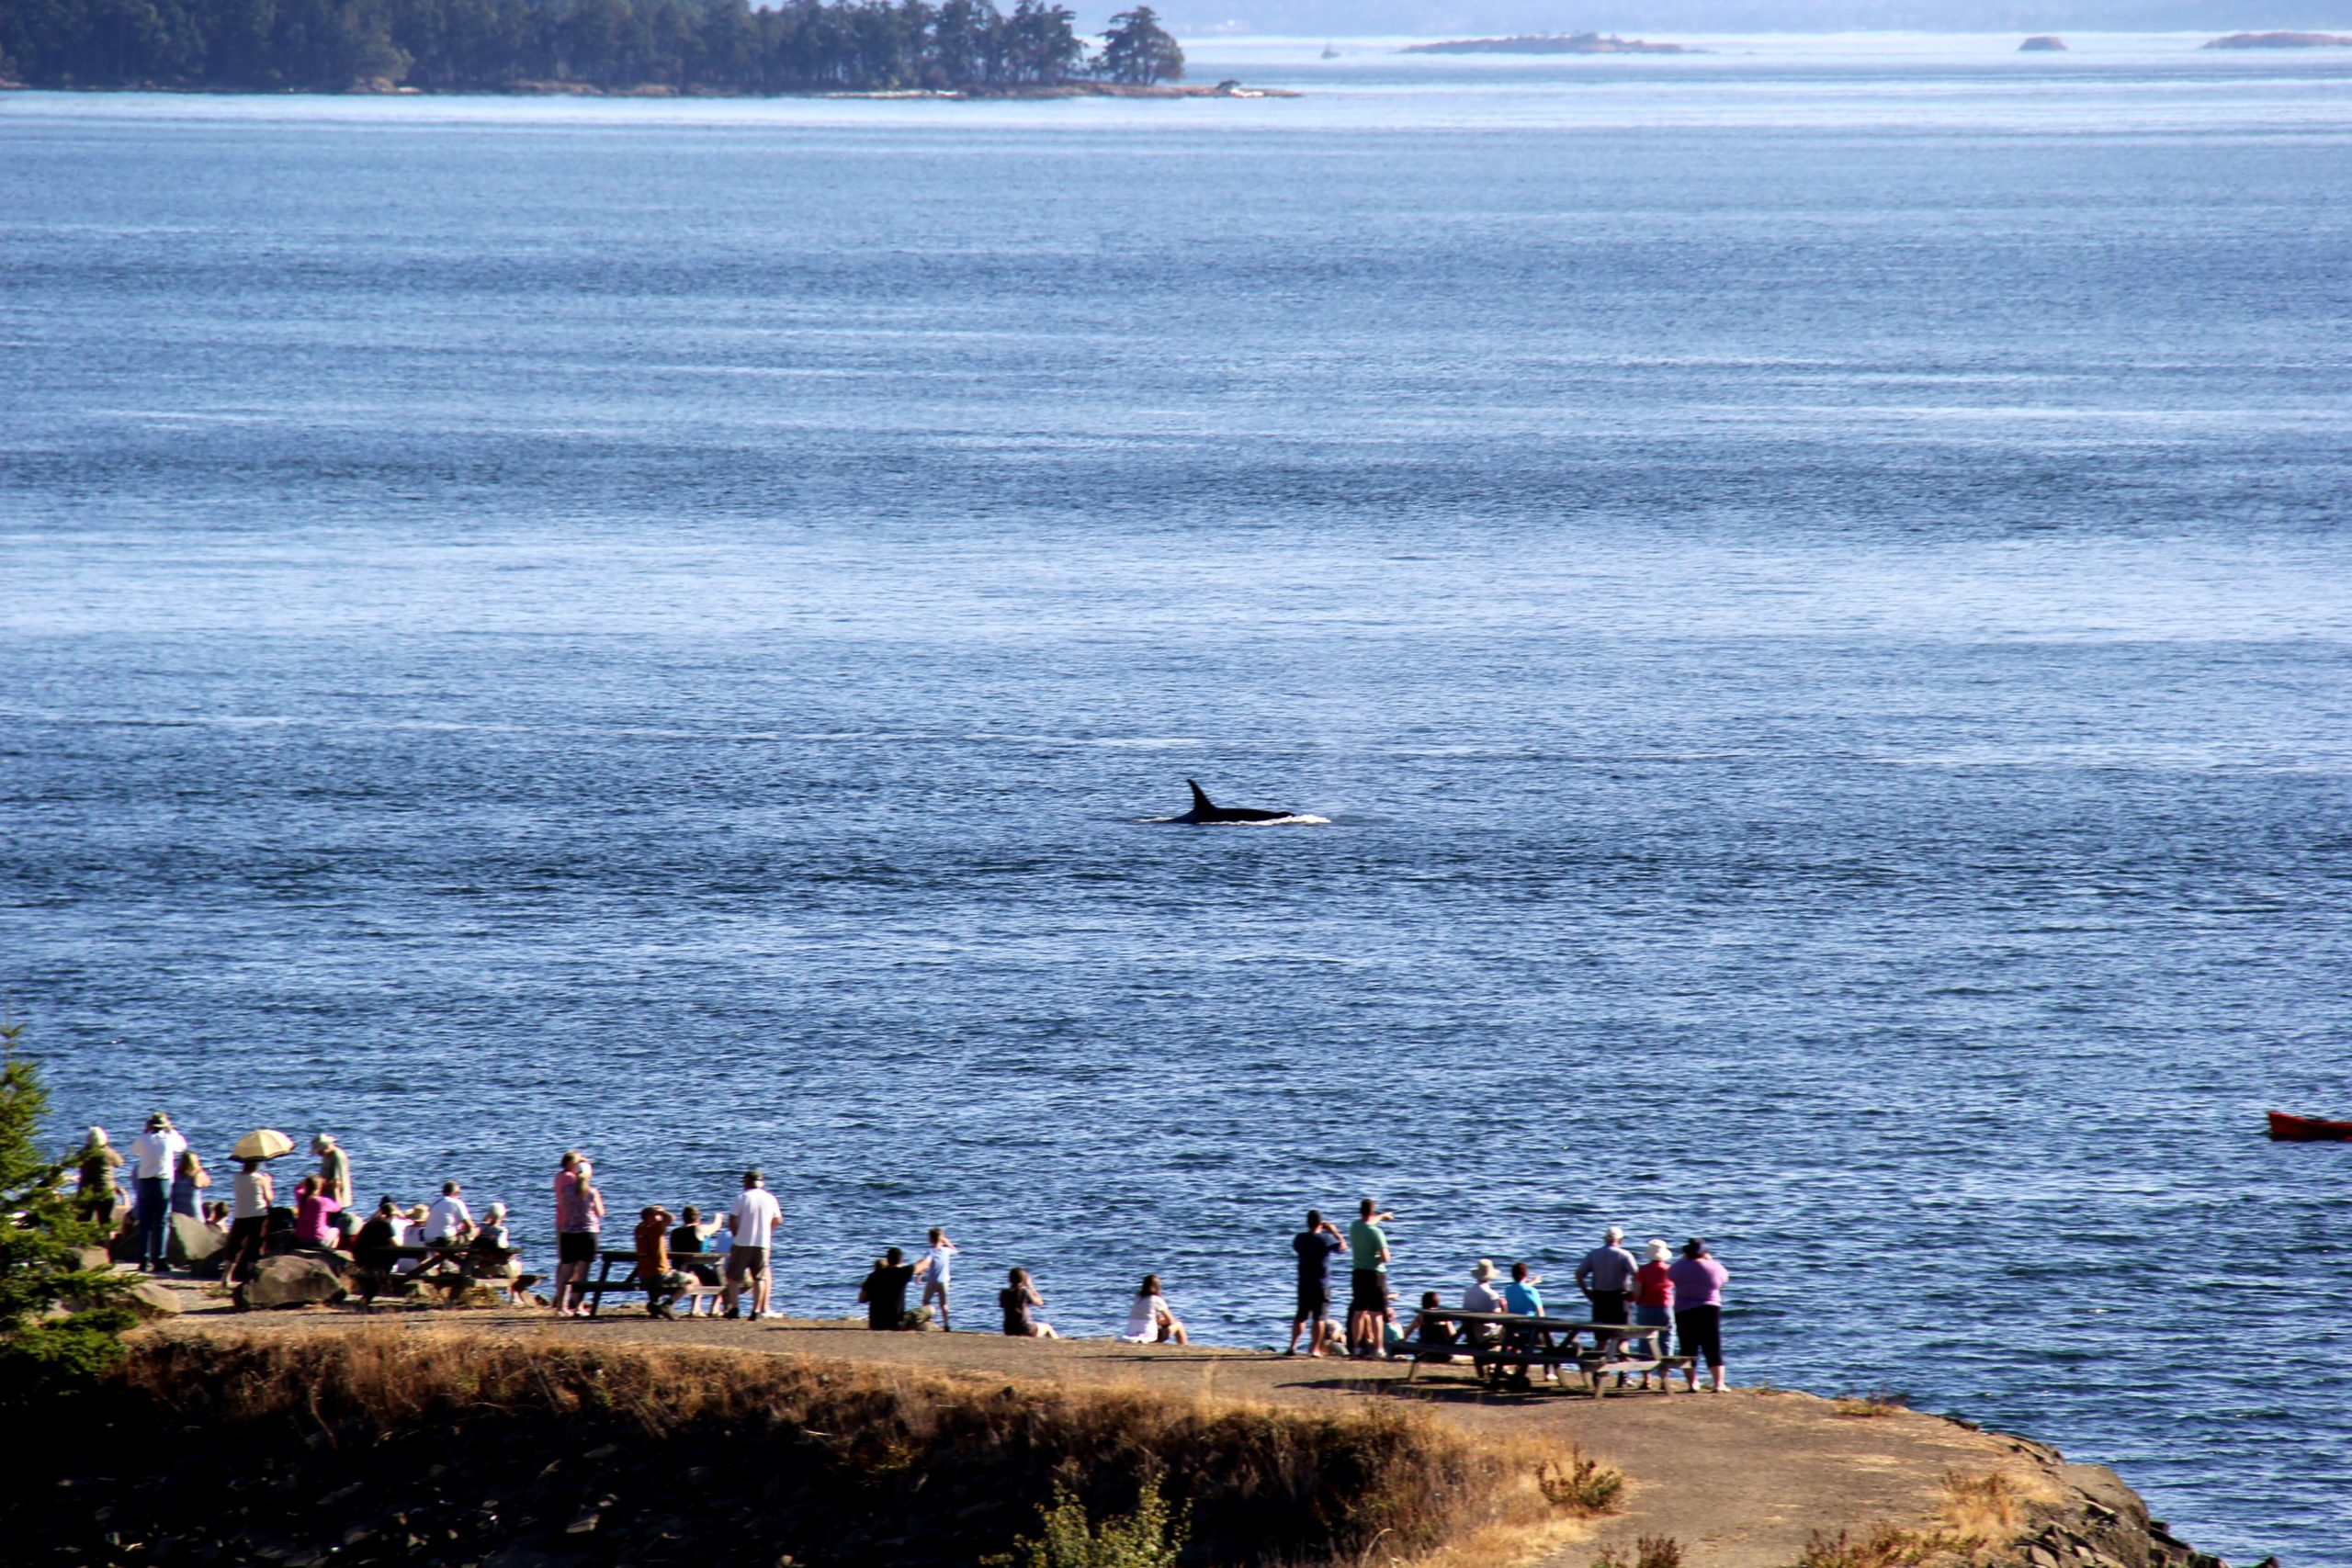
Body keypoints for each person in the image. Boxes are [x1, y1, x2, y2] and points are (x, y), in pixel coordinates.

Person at [1666, 1238, 1730, 1392]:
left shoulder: (1678, 1267)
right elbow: (1723, 1280)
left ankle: (1693, 1383)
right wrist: (1710, 1260)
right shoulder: (1715, 1266)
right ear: (1704, 1252)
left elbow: (1671, 1277)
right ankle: (1719, 1384)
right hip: (1710, 1307)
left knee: (1688, 1346)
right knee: (1713, 1346)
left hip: (1684, 1309)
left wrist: (1683, 1261)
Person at [129, 1112, 187, 1272]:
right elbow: (183, 1146)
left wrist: (145, 1132)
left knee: (145, 1222)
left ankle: (143, 1259)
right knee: (161, 1222)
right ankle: (160, 1258)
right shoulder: (168, 1138)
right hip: (163, 1181)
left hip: (145, 1181)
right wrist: (172, 1129)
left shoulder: (144, 1139)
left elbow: (134, 1150)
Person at [548, 1152, 605, 1317]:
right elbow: (600, 1212)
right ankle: (578, 1306)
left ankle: (560, 1306)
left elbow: (564, 1208)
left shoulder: (565, 1190)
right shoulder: (592, 1192)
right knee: (583, 1272)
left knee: (566, 1270)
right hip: (588, 1233)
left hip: (569, 1232)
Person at [725, 1169, 782, 1319]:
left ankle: (735, 1307)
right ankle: (756, 1310)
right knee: (759, 1277)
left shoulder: (742, 1197)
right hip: (762, 1243)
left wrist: (736, 1233)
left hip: (742, 1242)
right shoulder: (770, 1198)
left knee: (733, 1276)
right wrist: (768, 1231)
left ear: (747, 1182)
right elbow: (778, 1220)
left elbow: (732, 1219)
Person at [1287, 1209, 1344, 1357]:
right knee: (1319, 1318)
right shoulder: (1325, 1239)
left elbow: (1297, 1248)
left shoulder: (1300, 1238)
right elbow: (1343, 1248)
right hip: (1321, 1283)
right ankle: (1315, 1349)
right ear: (1321, 1223)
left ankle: (1293, 1346)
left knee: (1301, 1316)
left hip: (1304, 1281)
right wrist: (1334, 1232)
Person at [1346, 1198, 1394, 1358]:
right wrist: (1376, 1259)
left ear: (1360, 1211)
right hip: (1375, 1274)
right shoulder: (1377, 1232)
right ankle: (1379, 1349)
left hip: (1358, 1273)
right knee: (1376, 1313)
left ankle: (1356, 1347)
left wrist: (1382, 1216)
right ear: (1373, 1212)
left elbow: (1368, 1222)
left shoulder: (1354, 1226)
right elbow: (1386, 1258)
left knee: (1359, 1311)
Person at [1632, 1239, 1677, 1390]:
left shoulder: (1642, 1270)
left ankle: (1647, 1379)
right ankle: (1665, 1379)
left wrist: (1634, 1300)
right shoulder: (1670, 1270)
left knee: (1645, 1341)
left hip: (1645, 1306)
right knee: (1666, 1340)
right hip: (1665, 1306)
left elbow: (1637, 1292)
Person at [1502, 1260, 1557, 1382]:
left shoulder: (1508, 1290)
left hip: (1516, 1331)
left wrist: (1532, 1282)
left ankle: (1520, 1367)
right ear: (1526, 1275)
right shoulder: (1532, 1291)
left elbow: (1521, 1289)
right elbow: (1540, 1313)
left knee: (1527, 1346)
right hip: (1532, 1331)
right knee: (1550, 1341)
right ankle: (1549, 1371)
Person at [1575, 1226, 1639, 1326]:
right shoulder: (1625, 1255)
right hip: (1619, 1298)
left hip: (1599, 1298)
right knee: (1622, 1336)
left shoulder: (1593, 1254)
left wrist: (1586, 1292)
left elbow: (1579, 1274)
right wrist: (1634, 1293)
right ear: (1620, 1240)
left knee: (1601, 1336)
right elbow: (1637, 1275)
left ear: (1605, 1239)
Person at [633, 1205, 689, 1319]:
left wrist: (655, 1213)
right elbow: (671, 1218)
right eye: (657, 1216)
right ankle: (668, 1304)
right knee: (693, 1281)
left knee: (656, 1284)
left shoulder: (639, 1229)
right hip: (660, 1274)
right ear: (651, 1217)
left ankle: (655, 1305)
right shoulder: (656, 1229)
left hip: (643, 1276)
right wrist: (661, 1211)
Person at [226, 1157, 273, 1284]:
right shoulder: (260, 1179)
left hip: (241, 1214)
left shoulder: (237, 1177)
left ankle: (227, 1276)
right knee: (256, 1245)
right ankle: (251, 1276)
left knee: (235, 1245)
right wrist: (269, 1182)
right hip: (258, 1214)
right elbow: (269, 1198)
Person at [672, 1204, 722, 1310]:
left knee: (697, 1272)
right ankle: (714, 1309)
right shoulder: (699, 1229)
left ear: (684, 1218)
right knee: (721, 1280)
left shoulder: (674, 1232)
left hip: (678, 1269)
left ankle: (695, 1308)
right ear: (698, 1217)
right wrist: (718, 1217)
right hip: (695, 1269)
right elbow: (715, 1227)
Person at [860, 1247, 921, 1330]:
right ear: (901, 1260)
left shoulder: (873, 1276)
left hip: (875, 1324)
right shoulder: (902, 1273)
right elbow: (923, 1264)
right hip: (895, 1324)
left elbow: (861, 1299)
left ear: (888, 1260)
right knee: (929, 1310)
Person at [1119, 1274, 1188, 1345]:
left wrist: (1157, 1321)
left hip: (1131, 1334)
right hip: (1150, 1336)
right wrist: (1159, 1321)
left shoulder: (1138, 1298)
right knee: (1178, 1324)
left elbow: (1146, 1317)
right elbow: (1171, 1321)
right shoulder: (1156, 1299)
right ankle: (1184, 1347)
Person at [74, 1128, 123, 1227]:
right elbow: (120, 1162)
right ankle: (105, 1242)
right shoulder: (108, 1153)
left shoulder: (83, 1153)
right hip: (106, 1191)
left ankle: (82, 1242)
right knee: (106, 1223)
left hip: (86, 1191)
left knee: (83, 1222)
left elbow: (74, 1163)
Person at [915, 1227, 958, 1331]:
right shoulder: (946, 1251)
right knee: (944, 1304)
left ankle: (928, 1321)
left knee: (926, 1301)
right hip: (944, 1281)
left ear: (930, 1239)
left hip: (932, 1281)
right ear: (941, 1239)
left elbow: (926, 1264)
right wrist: (946, 1241)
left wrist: (920, 1275)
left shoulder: (930, 1252)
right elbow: (955, 1250)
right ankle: (946, 1324)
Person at [1461, 1258, 1508, 1347]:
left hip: (1471, 1334)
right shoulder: (1492, 1295)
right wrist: (1504, 1307)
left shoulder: (1468, 1292)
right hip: (1487, 1335)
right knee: (1510, 1332)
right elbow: (1499, 1321)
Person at [1001, 1267, 1057, 1337]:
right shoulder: (1024, 1291)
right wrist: (1030, 1286)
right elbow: (1040, 1303)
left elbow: (1003, 1305)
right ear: (1023, 1279)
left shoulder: (1003, 1292)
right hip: (1026, 1329)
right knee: (1047, 1327)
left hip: (1009, 1330)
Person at [1406, 1290, 1458, 1355]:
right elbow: (1453, 1335)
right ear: (1437, 1302)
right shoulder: (1444, 1316)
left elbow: (1407, 1333)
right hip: (1443, 1352)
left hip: (1424, 1350)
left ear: (1423, 1303)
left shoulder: (1421, 1316)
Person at [424, 1181, 475, 1247]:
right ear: (456, 1193)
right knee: (475, 1230)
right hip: (446, 1241)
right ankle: (469, 1256)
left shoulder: (435, 1201)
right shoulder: (457, 1203)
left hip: (429, 1241)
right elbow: (470, 1226)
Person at [169, 1146, 211, 1219]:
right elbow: (208, 1182)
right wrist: (200, 1168)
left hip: (176, 1211)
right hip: (193, 1213)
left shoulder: (174, 1174)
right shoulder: (197, 1175)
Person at [312, 1134, 352, 1209]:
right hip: (328, 1198)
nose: (319, 1154)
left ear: (325, 1147)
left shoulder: (338, 1157)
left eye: (319, 1151)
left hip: (336, 1200)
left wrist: (316, 1186)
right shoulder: (327, 1155)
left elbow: (336, 1183)